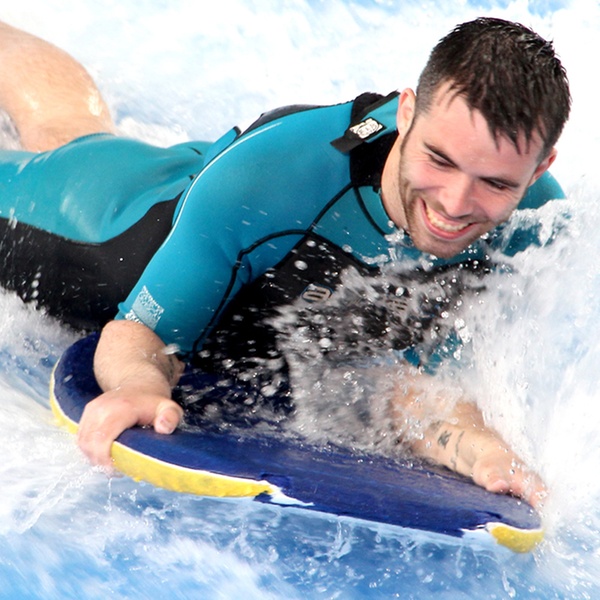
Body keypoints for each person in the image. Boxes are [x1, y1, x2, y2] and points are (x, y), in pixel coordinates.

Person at [0, 18, 570, 508]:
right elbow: (138, 334)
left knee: (71, 127)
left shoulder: (535, 230)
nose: (455, 204)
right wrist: (136, 384)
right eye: (439, 160)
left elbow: (416, 387)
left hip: (237, 214)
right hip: (121, 227)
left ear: (540, 166)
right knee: (63, 136)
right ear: (406, 112)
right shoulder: (271, 182)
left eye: (495, 183)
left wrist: (479, 449)